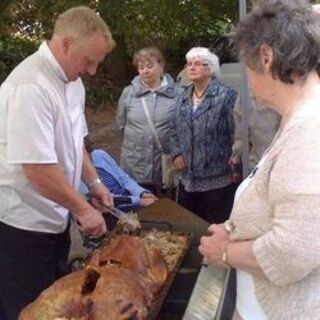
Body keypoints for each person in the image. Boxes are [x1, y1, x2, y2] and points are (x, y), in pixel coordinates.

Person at [199, 1, 320, 319]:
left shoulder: (311, 129)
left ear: (266, 57)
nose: (247, 80)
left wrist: (225, 251)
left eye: (245, 65)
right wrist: (233, 228)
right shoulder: (299, 121)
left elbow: (295, 250)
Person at [0, 6, 115, 319]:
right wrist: (82, 208)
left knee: (56, 304)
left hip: (55, 218)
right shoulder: (30, 85)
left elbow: (76, 141)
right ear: (66, 44)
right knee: (26, 309)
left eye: (97, 63)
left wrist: (94, 182)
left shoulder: (72, 82)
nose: (92, 71)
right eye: (88, 60)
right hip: (22, 226)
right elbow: (36, 169)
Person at [170, 47, 237, 224]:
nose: (191, 67)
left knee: (216, 225)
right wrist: (176, 153)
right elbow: (174, 129)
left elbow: (236, 133)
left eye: (198, 64)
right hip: (188, 177)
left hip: (218, 177)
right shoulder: (182, 97)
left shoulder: (226, 95)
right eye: (189, 64)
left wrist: (235, 160)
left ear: (211, 69)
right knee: (190, 225)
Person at [116, 46, 182, 195]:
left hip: (166, 164)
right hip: (135, 163)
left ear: (161, 66)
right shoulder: (129, 93)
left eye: (149, 66)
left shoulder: (178, 93)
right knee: (138, 204)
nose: (145, 71)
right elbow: (121, 125)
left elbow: (183, 127)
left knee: (166, 205)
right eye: (141, 67)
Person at [83, 139, 157, 212]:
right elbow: (105, 200)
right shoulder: (77, 175)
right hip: (113, 210)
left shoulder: (99, 155)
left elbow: (125, 179)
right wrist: (138, 200)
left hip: (131, 197)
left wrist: (142, 193)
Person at [229, 94, 281, 182]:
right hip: (288, 168)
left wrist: (235, 160)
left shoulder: (247, 95)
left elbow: (241, 139)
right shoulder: (296, 91)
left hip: (258, 166)